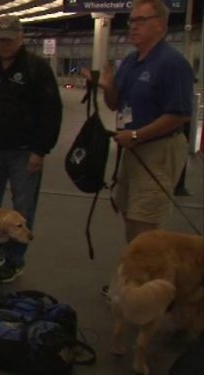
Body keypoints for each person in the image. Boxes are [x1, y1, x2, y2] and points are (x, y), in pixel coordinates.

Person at [92, 0, 192, 294]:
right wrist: (108, 85)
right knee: (130, 216)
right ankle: (138, 282)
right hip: (133, 151)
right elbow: (115, 103)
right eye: (131, 21)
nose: (133, 26)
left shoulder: (172, 63)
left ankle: (147, 290)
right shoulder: (131, 62)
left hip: (158, 150)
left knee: (145, 222)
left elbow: (180, 114)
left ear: (160, 24)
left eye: (140, 20)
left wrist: (137, 136)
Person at [0, 15, 62, 283]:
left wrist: (41, 150)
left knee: (22, 210)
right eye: (0, 40)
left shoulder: (36, 68)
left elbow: (51, 113)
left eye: (9, 40)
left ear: (21, 38)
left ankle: (15, 260)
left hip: (24, 152)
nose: (4, 44)